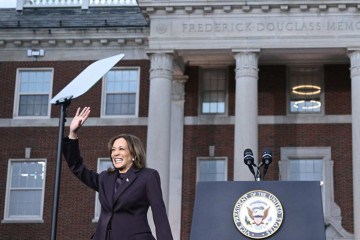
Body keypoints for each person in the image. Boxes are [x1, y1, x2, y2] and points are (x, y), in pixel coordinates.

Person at [62, 106, 174, 240]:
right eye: (113, 149)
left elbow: (159, 215)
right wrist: (72, 133)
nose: (116, 153)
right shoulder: (105, 178)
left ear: (133, 153)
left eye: (121, 149)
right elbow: (77, 167)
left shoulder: (148, 177)